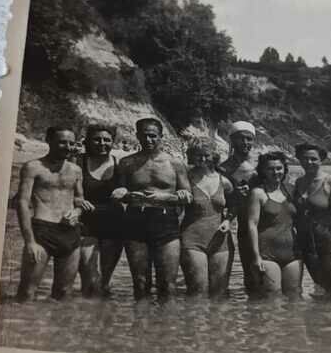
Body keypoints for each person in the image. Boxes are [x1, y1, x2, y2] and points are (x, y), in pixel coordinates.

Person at [111, 117, 192, 298]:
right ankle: (142, 325)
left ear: (161, 137)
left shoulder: (175, 163)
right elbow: (118, 192)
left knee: (168, 285)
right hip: (135, 222)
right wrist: (126, 194)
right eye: (145, 136)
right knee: (140, 283)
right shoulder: (127, 163)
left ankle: (165, 325)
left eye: (153, 136)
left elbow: (187, 196)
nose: (149, 140)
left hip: (166, 223)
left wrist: (166, 197)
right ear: (137, 136)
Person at [13, 125, 90, 300]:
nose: (68, 147)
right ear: (49, 141)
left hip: (70, 232)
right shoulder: (33, 167)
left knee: (63, 293)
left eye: (71, 143)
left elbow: (79, 199)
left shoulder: (76, 170)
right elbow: (22, 203)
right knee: (27, 293)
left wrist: (77, 211)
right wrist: (30, 241)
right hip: (42, 231)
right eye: (62, 143)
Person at [292, 143, 331, 296]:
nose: (309, 162)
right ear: (298, 159)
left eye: (313, 159)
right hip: (308, 246)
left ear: (321, 160)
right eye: (304, 159)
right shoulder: (299, 183)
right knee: (321, 290)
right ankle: (323, 320)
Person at [181, 139, 236, 296]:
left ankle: (217, 321)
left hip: (221, 240)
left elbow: (235, 205)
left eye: (206, 155)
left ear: (213, 156)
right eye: (198, 155)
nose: (203, 159)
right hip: (192, 240)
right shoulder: (186, 179)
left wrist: (228, 220)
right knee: (197, 292)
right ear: (191, 156)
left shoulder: (224, 181)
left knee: (220, 294)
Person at [243, 151, 303, 295]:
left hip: (292, 253)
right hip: (267, 254)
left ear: (284, 169)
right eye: (270, 168)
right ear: (263, 171)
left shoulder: (291, 190)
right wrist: (256, 256)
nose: (275, 172)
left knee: (295, 297)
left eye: (279, 168)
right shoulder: (258, 193)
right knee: (272, 297)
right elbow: (252, 225)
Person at [78, 124, 125, 297]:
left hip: (114, 223)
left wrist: (125, 191)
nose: (102, 143)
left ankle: (104, 318)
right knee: (88, 277)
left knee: (106, 282)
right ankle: (85, 316)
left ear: (113, 142)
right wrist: (77, 200)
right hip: (85, 222)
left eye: (107, 140)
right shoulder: (77, 162)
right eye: (96, 139)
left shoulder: (119, 164)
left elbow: (130, 189)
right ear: (87, 141)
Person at [217, 121, 259, 293]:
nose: (245, 143)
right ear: (232, 141)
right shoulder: (222, 169)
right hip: (241, 223)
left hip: (264, 222)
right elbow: (219, 199)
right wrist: (234, 195)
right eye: (240, 139)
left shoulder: (260, 167)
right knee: (250, 272)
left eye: (249, 139)